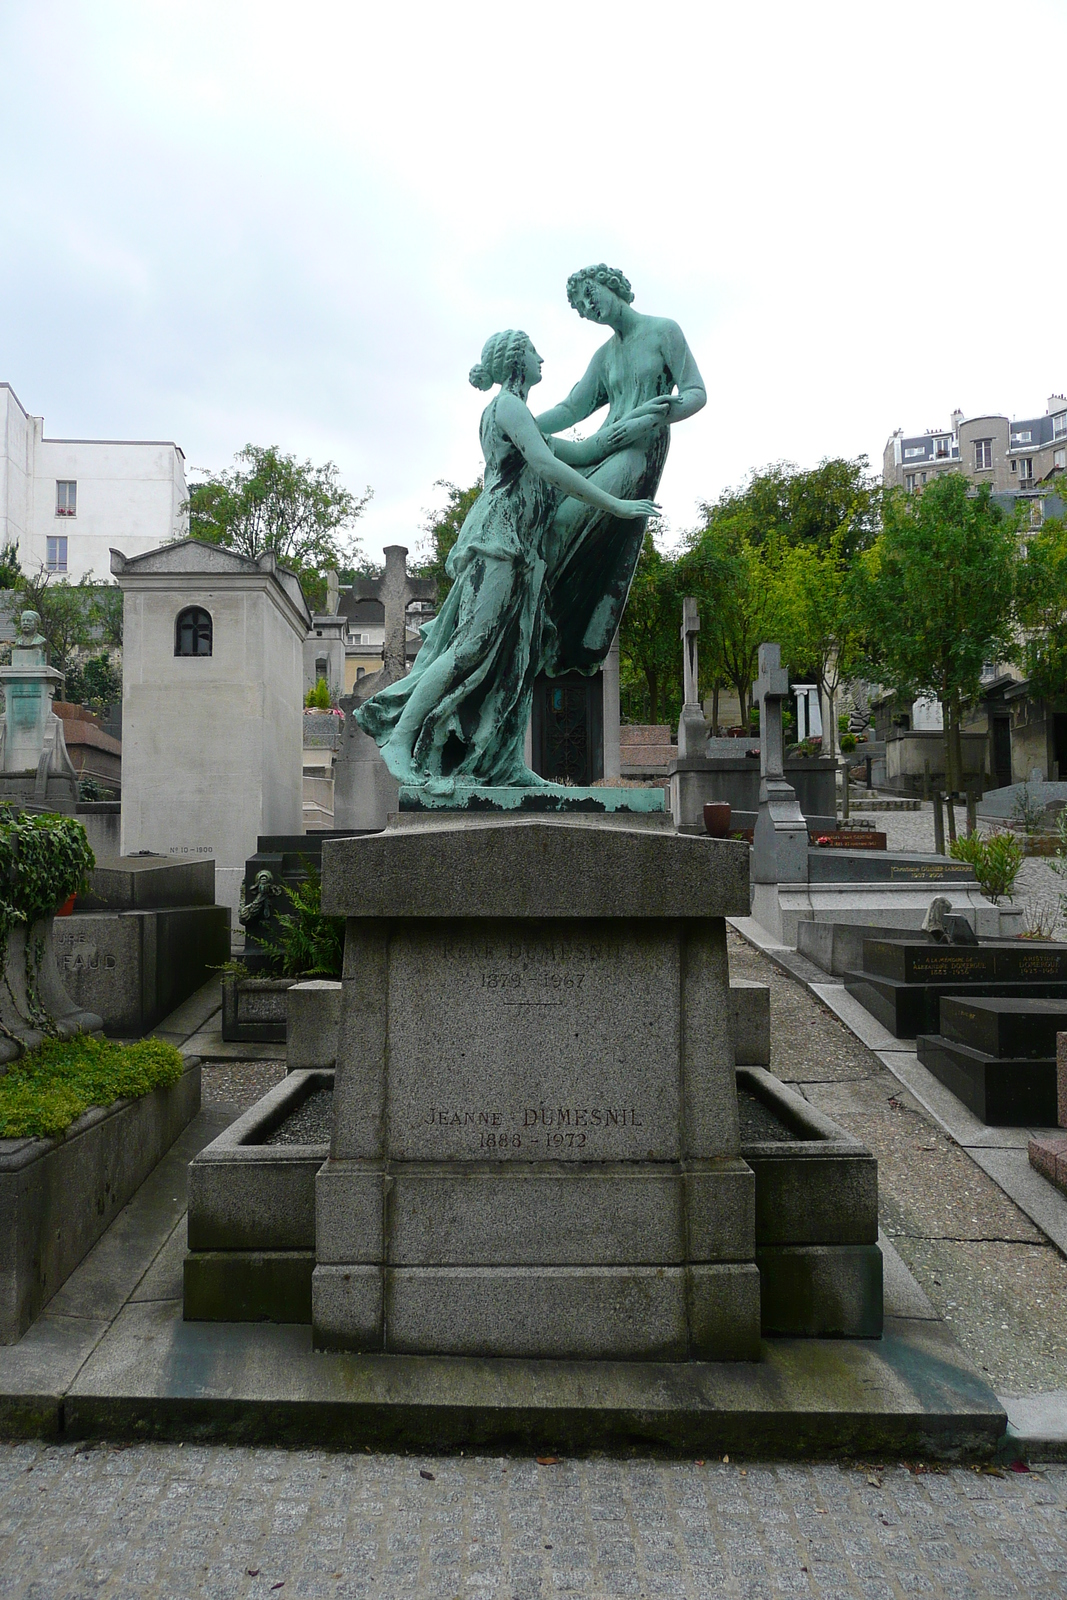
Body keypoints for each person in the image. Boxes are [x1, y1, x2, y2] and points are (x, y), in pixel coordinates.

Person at [355, 330, 659, 792]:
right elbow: (549, 465)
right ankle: (399, 737)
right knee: (471, 646)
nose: (543, 359)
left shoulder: (523, 415)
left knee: (518, 655)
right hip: (498, 539)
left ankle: (503, 763)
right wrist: (615, 507)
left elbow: (584, 453)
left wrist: (635, 425)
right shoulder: (507, 407)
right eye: (536, 352)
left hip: (524, 549)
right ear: (519, 361)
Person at [534, 264, 706, 673]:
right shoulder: (605, 355)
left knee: (568, 519)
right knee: (546, 516)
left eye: (590, 296)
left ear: (612, 286)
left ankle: (546, 615)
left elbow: (696, 393)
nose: (588, 308)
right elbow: (573, 407)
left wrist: (654, 418)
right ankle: (537, 617)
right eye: (580, 308)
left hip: (639, 452)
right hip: (600, 447)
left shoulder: (664, 331)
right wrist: (521, 426)